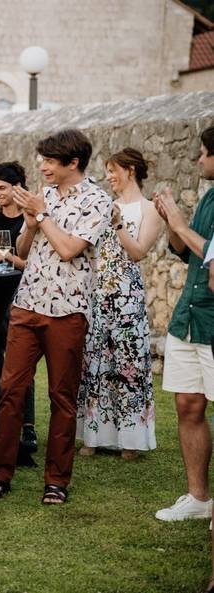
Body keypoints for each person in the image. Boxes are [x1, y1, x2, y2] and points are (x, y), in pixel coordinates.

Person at [0, 128, 112, 505]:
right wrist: (32, 224)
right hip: (27, 304)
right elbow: (23, 248)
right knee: (10, 392)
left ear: (73, 163)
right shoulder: (44, 196)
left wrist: (41, 213)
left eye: (51, 160)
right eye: (43, 159)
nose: (43, 166)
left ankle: (56, 480)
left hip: (68, 311)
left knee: (62, 396)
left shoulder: (97, 201)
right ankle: (0, 475)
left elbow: (70, 249)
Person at [77, 148, 162, 459]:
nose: (109, 177)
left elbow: (138, 253)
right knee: (96, 364)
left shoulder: (148, 209)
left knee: (127, 367)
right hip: (99, 295)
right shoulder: (104, 205)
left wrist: (118, 225)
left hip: (128, 299)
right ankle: (94, 436)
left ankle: (131, 440)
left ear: (130, 170)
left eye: (113, 170)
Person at [152, 125, 214, 522]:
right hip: (187, 317)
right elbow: (189, 253)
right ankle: (198, 497)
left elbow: (212, 255)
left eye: (204, 153)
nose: (198, 160)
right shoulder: (210, 196)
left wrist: (178, 223)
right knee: (187, 404)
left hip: (213, 323)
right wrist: (172, 225)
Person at [0, 162, 37, 452]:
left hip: (23, 294)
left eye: (2, 188)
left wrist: (5, 256)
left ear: (17, 187)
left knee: (21, 361)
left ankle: (28, 426)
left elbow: (33, 263)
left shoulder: (30, 219)